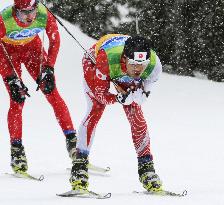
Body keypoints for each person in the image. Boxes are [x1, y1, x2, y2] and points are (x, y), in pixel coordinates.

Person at [70, 34, 163, 193]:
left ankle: (147, 168)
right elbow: (100, 94)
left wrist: (139, 96)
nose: (138, 69)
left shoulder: (154, 66)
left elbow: (143, 95)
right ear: (125, 58)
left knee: (135, 113)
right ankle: (79, 167)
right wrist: (118, 98)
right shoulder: (107, 59)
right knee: (96, 108)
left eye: (143, 64)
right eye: (134, 64)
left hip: (119, 68)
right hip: (96, 62)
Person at [0, 0, 77, 174]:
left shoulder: (43, 13)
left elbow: (55, 40)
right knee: (17, 100)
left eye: (31, 12)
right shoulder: (4, 19)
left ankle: (72, 142)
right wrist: (11, 78)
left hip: (32, 50)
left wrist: (49, 67)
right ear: (15, 11)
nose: (28, 17)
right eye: (22, 13)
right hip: (7, 53)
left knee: (52, 93)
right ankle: (17, 151)